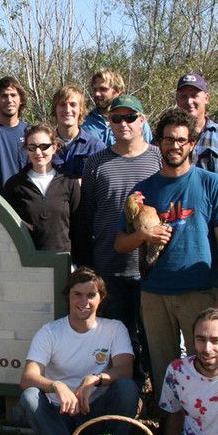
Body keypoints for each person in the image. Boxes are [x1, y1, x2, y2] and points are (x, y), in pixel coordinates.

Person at [116, 107, 218, 400]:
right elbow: (120, 244)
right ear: (158, 142)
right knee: (163, 370)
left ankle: (207, 422)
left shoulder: (211, 183)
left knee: (206, 365)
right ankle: (169, 422)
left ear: (192, 144)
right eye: (168, 139)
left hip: (199, 290)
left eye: (182, 140)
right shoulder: (143, 191)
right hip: (154, 292)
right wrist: (144, 236)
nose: (175, 145)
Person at [18, 267, 140, 435]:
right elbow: (28, 378)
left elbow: (125, 370)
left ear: (101, 298)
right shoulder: (50, 332)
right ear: (68, 296)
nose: (84, 302)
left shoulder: (114, 329)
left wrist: (96, 379)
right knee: (30, 396)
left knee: (127, 387)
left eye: (91, 295)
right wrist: (57, 385)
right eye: (78, 294)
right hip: (60, 416)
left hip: (96, 414)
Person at [81, 94, 162, 381]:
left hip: (151, 269)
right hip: (109, 266)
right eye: (116, 118)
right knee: (120, 343)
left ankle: (159, 394)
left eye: (130, 117)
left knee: (155, 340)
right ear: (110, 123)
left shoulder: (158, 158)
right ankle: (129, 393)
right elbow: (88, 213)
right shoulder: (95, 163)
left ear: (142, 121)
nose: (123, 123)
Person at [1, 123, 81, 255]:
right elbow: (6, 226)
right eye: (32, 147)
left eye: (44, 146)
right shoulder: (14, 184)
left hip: (62, 260)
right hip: (27, 261)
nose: (38, 152)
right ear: (26, 149)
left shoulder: (69, 182)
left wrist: (81, 263)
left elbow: (80, 227)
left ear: (54, 148)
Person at [174, 73, 218, 175]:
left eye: (194, 95)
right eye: (183, 96)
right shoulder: (165, 137)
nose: (189, 101)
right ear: (177, 100)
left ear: (206, 98)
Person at [82, 68, 153, 146]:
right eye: (95, 89)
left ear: (118, 92)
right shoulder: (84, 122)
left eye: (103, 89)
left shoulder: (136, 122)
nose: (97, 94)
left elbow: (148, 150)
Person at [49, 85, 105, 180]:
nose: (67, 110)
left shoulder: (95, 147)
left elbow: (102, 182)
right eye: (62, 104)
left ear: (81, 109)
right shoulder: (45, 145)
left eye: (73, 105)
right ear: (55, 109)